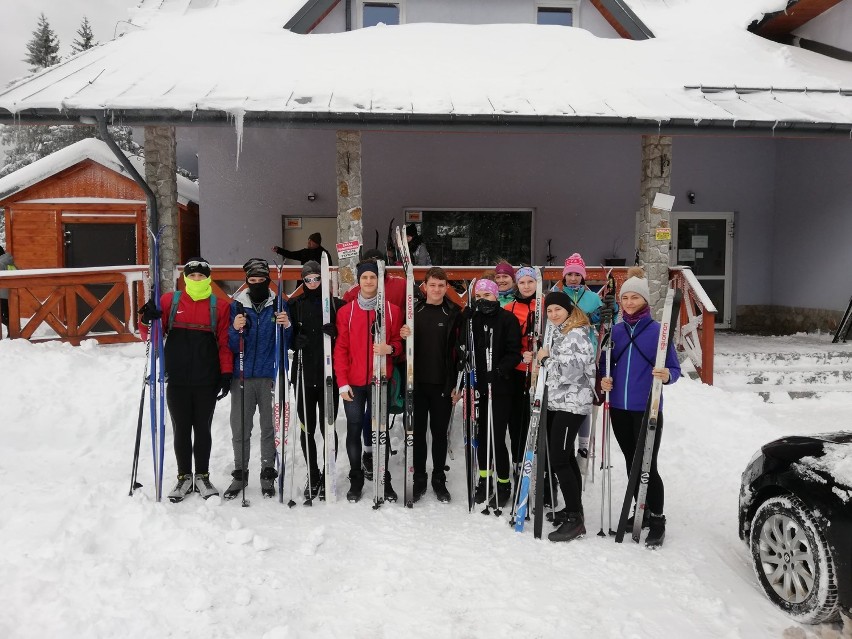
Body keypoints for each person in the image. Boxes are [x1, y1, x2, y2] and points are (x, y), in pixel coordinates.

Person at [139, 258, 233, 502]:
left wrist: (226, 373)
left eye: (201, 276)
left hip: (206, 379)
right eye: (192, 276)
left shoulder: (219, 306)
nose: (197, 280)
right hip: (177, 378)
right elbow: (152, 335)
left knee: (203, 429)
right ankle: (184, 477)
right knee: (181, 429)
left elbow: (224, 343)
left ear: (209, 278)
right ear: (186, 278)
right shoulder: (170, 301)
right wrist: (147, 319)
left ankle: (202, 475)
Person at [601, 267, 681, 547]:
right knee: (631, 462)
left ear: (645, 301)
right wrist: (605, 380)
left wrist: (667, 375)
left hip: (648, 408)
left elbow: (674, 367)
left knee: (648, 463)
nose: (629, 303)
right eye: (626, 298)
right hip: (619, 409)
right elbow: (605, 364)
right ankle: (642, 510)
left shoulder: (658, 332)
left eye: (635, 298)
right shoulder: (617, 332)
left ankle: (657, 518)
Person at [334, 260, 403, 503]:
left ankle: (384, 479)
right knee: (354, 429)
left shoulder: (392, 311)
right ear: (359, 280)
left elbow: (399, 345)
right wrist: (342, 382)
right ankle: (356, 479)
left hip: (380, 381)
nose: (369, 281)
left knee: (380, 431)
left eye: (373, 277)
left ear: (379, 280)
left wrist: (390, 348)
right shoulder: (346, 312)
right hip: (353, 383)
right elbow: (340, 349)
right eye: (365, 278)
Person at [225, 258, 291, 500]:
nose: (256, 284)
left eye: (261, 280)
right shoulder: (238, 305)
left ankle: (267, 472)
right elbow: (231, 344)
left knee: (269, 427)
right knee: (240, 426)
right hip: (241, 374)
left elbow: (288, 342)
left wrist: (287, 326)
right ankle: (240, 473)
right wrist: (235, 327)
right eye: (252, 281)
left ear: (268, 281)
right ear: (247, 281)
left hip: (268, 375)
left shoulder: (279, 303)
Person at [534, 291, 596, 542]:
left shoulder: (576, 335)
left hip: (572, 404)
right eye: (549, 311)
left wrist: (545, 359)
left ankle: (575, 519)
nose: (553, 314)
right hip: (562, 403)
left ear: (569, 310)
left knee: (559, 459)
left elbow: (569, 373)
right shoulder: (563, 332)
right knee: (565, 456)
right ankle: (574, 509)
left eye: (557, 309)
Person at [398, 266, 463, 503]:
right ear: (425, 286)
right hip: (416, 384)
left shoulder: (454, 313)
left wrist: (457, 384)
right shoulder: (413, 310)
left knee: (439, 434)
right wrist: (404, 336)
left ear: (447, 287)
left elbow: (460, 352)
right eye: (432, 285)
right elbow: (400, 348)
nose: (436, 289)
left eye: (441, 285)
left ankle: (438, 478)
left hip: (442, 385)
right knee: (416, 433)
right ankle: (419, 479)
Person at [287, 260, 344, 499]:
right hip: (303, 374)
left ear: (323, 279)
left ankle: (329, 470)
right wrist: (293, 341)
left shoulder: (336, 304)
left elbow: (348, 342)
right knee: (307, 428)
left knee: (328, 427)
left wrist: (337, 334)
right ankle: (313, 471)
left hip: (329, 376)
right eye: (307, 279)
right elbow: (285, 336)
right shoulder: (294, 305)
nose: (312, 283)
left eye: (316, 278)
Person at [467, 278, 522, 508]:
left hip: (500, 387)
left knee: (496, 436)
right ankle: (484, 479)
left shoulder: (507, 319)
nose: (482, 301)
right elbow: (466, 347)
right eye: (479, 297)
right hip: (478, 385)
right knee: (481, 436)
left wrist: (499, 370)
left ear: (496, 296)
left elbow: (514, 352)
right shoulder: (472, 319)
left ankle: (503, 482)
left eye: (487, 296)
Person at [550, 253, 604, 471]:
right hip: (562, 355)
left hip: (586, 354)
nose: (573, 278)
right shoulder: (557, 295)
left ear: (583, 277)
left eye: (577, 274)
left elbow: (604, 321)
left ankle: (583, 446)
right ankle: (566, 449)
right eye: (569, 274)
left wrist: (607, 315)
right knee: (564, 404)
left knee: (582, 402)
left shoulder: (592, 298)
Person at [502, 267, 541, 496]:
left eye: (530, 282)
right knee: (517, 421)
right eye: (522, 282)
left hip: (539, 372)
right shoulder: (509, 308)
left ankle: (540, 472)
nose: (526, 286)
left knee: (535, 423)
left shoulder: (547, 306)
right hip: (517, 372)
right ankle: (519, 465)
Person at [0, 245, 17, 329]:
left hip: (2, 295)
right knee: (9, 315)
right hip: (12, 293)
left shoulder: (0, 263)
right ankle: (13, 332)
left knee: (4, 316)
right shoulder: (10, 262)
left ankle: (15, 330)